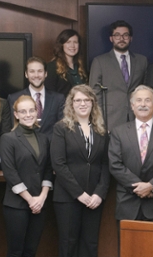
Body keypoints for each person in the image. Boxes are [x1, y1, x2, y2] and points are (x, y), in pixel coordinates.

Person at [51, 85, 109, 257]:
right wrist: (79, 193)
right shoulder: (61, 128)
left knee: (90, 244)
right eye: (78, 100)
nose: (82, 104)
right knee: (68, 244)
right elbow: (58, 164)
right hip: (68, 197)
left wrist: (99, 193)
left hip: (94, 199)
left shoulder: (101, 131)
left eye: (86, 100)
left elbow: (105, 164)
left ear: (93, 103)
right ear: (71, 104)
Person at [109, 85, 153, 223]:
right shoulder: (118, 132)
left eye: (147, 100)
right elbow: (115, 164)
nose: (143, 104)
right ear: (132, 105)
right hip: (127, 204)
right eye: (139, 100)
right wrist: (140, 187)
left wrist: (151, 186)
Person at [0, 95, 53, 257]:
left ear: (37, 112)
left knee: (31, 250)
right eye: (23, 111)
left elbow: (48, 169)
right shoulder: (8, 139)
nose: (28, 115)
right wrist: (31, 200)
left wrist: (41, 198)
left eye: (31, 110)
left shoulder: (43, 139)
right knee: (16, 251)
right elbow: (10, 173)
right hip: (17, 205)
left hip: (40, 204)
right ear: (16, 115)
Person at [89, 20, 148, 132]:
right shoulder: (99, 61)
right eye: (117, 35)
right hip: (110, 119)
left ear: (131, 38)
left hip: (137, 117)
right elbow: (94, 93)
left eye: (125, 35)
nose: (121, 38)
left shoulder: (142, 60)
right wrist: (99, 120)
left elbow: (145, 89)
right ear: (111, 38)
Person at [8, 56, 65, 135]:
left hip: (51, 146)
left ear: (45, 74)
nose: (36, 75)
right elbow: (14, 128)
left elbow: (61, 129)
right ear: (26, 74)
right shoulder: (14, 98)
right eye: (32, 71)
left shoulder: (58, 99)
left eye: (40, 71)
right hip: (24, 146)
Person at [45, 29, 87, 96]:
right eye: (68, 42)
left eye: (75, 42)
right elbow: (50, 94)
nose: (72, 45)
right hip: (62, 106)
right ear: (61, 45)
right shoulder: (52, 67)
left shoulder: (81, 66)